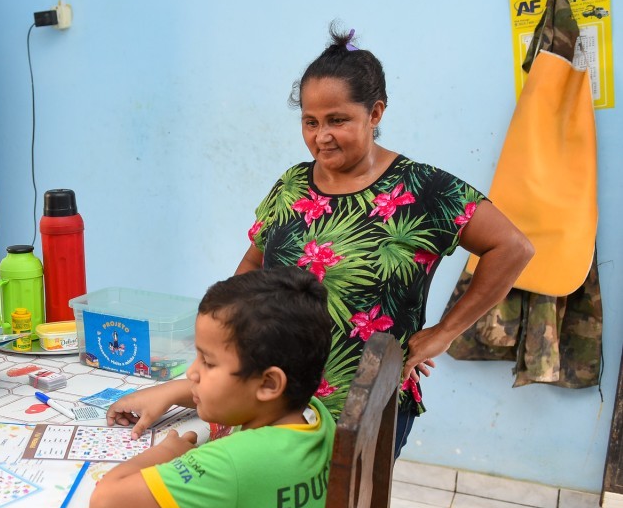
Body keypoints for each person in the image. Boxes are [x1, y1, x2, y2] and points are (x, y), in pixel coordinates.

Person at [108, 24, 534, 457]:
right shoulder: (293, 184)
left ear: (376, 114)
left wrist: (445, 331)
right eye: (310, 122)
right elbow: (251, 276)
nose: (320, 136)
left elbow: (513, 248)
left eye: (337, 120)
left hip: (364, 410)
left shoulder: (423, 190)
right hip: (273, 401)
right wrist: (188, 383)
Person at [90, 267, 336, 508]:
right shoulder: (316, 416)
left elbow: (106, 504)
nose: (192, 373)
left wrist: (165, 453)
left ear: (269, 383)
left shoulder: (232, 464)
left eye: (207, 362)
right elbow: (244, 391)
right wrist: (171, 393)